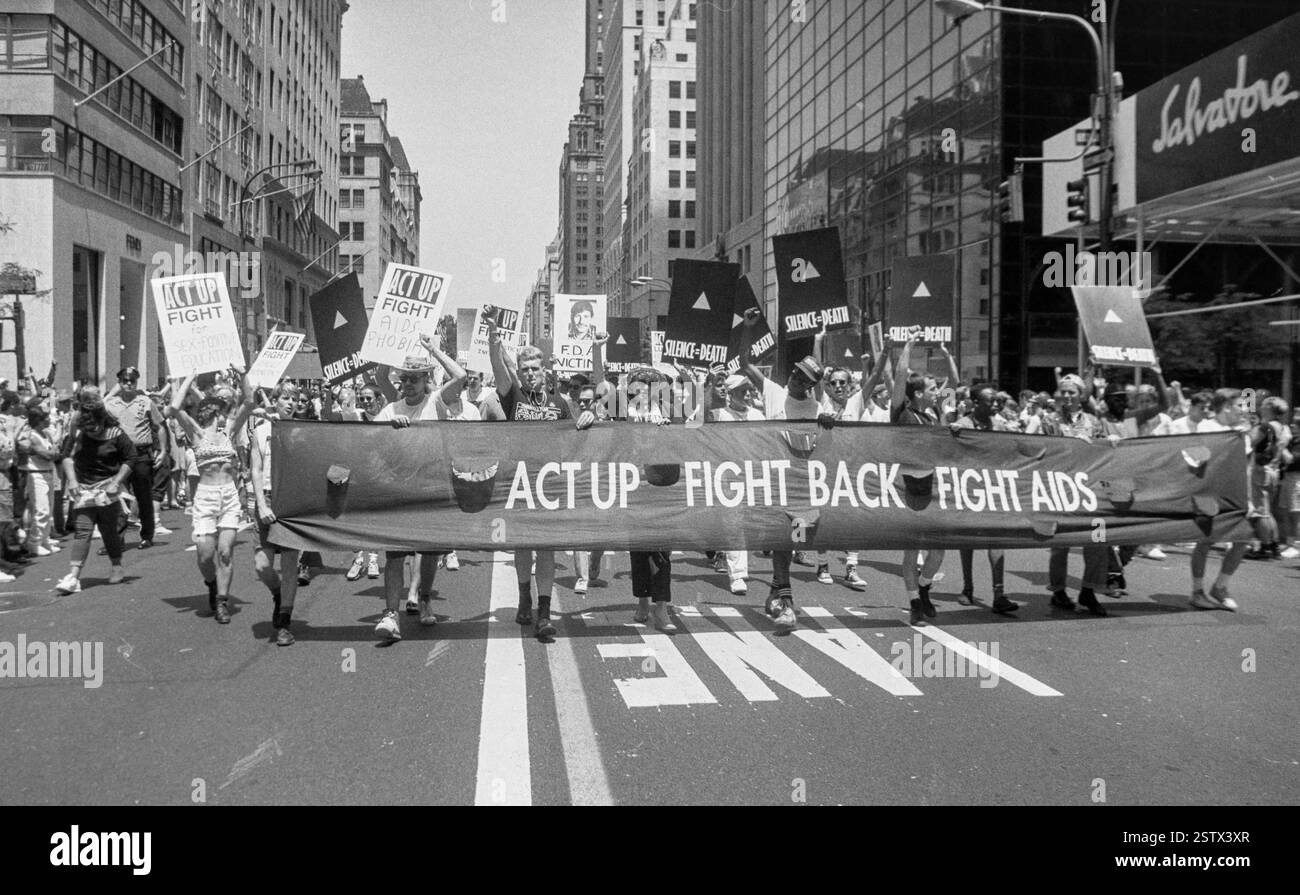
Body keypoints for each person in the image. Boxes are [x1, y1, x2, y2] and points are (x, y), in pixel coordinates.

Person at [370, 331, 471, 641]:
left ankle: (425, 597)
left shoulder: (438, 401)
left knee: (428, 553)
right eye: (405, 378)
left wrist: (433, 350)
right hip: (400, 491)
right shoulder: (391, 410)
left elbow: (461, 376)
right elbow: (369, 443)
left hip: (432, 489)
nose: (409, 383)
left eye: (415, 377)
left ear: (426, 377)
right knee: (396, 554)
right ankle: (390, 614)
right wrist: (390, 430)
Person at [488, 316, 578, 641]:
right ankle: (524, 596)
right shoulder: (514, 396)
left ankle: (544, 611)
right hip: (520, 482)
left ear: (544, 372)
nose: (529, 373)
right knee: (524, 545)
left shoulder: (560, 404)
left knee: (548, 549)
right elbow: (499, 368)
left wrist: (591, 418)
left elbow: (577, 436)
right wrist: (493, 340)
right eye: (524, 368)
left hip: (550, 484)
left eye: (534, 368)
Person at [737, 308, 827, 631]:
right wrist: (748, 330)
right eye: (795, 372)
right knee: (781, 541)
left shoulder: (818, 408)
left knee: (796, 541)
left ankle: (776, 590)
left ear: (812, 384)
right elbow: (746, 364)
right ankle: (786, 604)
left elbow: (833, 438)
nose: (795, 377)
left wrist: (829, 424)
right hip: (776, 482)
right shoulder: (774, 392)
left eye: (803, 377)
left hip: (804, 488)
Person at [589, 357, 677, 631]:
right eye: (638, 385)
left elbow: (691, 432)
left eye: (649, 385)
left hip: (662, 487)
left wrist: (670, 429)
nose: (643, 391)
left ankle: (661, 609)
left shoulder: (669, 409)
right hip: (633, 488)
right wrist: (598, 349)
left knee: (662, 551)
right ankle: (642, 603)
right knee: (638, 550)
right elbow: (600, 387)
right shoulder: (621, 407)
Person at [165, 367, 255, 624]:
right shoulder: (197, 432)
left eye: (228, 402)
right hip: (204, 496)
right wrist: (188, 380)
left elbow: (249, 402)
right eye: (223, 402)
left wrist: (243, 375)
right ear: (212, 409)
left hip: (228, 495)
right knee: (205, 553)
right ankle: (211, 583)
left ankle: (222, 601)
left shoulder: (230, 431)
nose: (227, 405)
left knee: (225, 551)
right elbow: (173, 409)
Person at [889, 337, 954, 625]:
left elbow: (953, 382)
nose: (936, 391)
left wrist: (946, 354)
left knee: (938, 549)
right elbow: (900, 377)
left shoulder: (934, 415)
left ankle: (925, 587)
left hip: (932, 489)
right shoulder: (902, 414)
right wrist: (906, 348)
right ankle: (915, 601)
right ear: (916, 394)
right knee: (911, 550)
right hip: (907, 491)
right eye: (931, 388)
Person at [1039, 374, 1110, 617]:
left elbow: (1105, 453)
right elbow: (1044, 452)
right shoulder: (1049, 420)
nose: (1067, 396)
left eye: (1072, 392)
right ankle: (1058, 590)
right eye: (1063, 392)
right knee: (1060, 544)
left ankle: (1088, 590)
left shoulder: (1094, 421)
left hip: (1091, 491)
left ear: (1081, 396)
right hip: (1061, 490)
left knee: (1098, 540)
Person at [54, 394, 135, 594]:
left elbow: (131, 458)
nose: (93, 431)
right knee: (83, 530)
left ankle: (116, 565)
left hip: (108, 488)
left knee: (108, 531)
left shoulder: (116, 433)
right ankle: (73, 577)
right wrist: (72, 480)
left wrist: (117, 482)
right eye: (88, 428)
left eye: (95, 427)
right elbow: (66, 457)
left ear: (102, 419)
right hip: (84, 489)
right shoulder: (79, 434)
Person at [951, 385, 1020, 615]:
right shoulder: (963, 425)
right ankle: (967, 587)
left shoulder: (999, 424)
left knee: (997, 540)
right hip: (969, 491)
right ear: (975, 403)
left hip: (994, 490)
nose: (994, 405)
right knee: (967, 541)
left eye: (996, 402)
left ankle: (999, 594)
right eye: (989, 402)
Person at [249, 381, 302, 645]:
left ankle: (284, 621)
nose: (291, 403)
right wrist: (261, 504)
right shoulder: (261, 431)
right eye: (285, 398)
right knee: (262, 565)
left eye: (295, 399)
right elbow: (256, 470)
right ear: (275, 400)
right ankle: (277, 593)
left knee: (290, 563)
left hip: (292, 500)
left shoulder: (302, 432)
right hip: (268, 497)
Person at [1188, 389, 1252, 610]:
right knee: (1205, 541)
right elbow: (1196, 458)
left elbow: (1246, 468)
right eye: (1240, 406)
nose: (1244, 411)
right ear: (1226, 407)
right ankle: (1197, 591)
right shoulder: (1207, 427)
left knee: (1243, 539)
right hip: (1210, 492)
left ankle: (1220, 586)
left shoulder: (1241, 431)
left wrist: (1250, 498)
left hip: (1235, 495)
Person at [104, 367, 171, 548]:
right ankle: (116, 539)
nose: (128, 384)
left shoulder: (145, 402)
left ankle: (147, 535)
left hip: (141, 454)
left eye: (132, 381)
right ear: (119, 382)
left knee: (143, 496)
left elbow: (161, 426)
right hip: (119, 455)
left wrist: (163, 450)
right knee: (117, 496)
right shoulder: (111, 403)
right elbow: (95, 411)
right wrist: (112, 392)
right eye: (124, 381)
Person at [16, 402, 59, 556]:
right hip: (36, 474)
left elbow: (55, 452)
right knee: (41, 510)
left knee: (49, 510)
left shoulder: (46, 434)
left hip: (48, 472)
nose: (48, 420)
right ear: (38, 420)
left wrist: (52, 453)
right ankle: (34, 542)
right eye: (45, 418)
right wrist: (51, 453)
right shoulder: (31, 436)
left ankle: (45, 539)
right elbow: (47, 454)